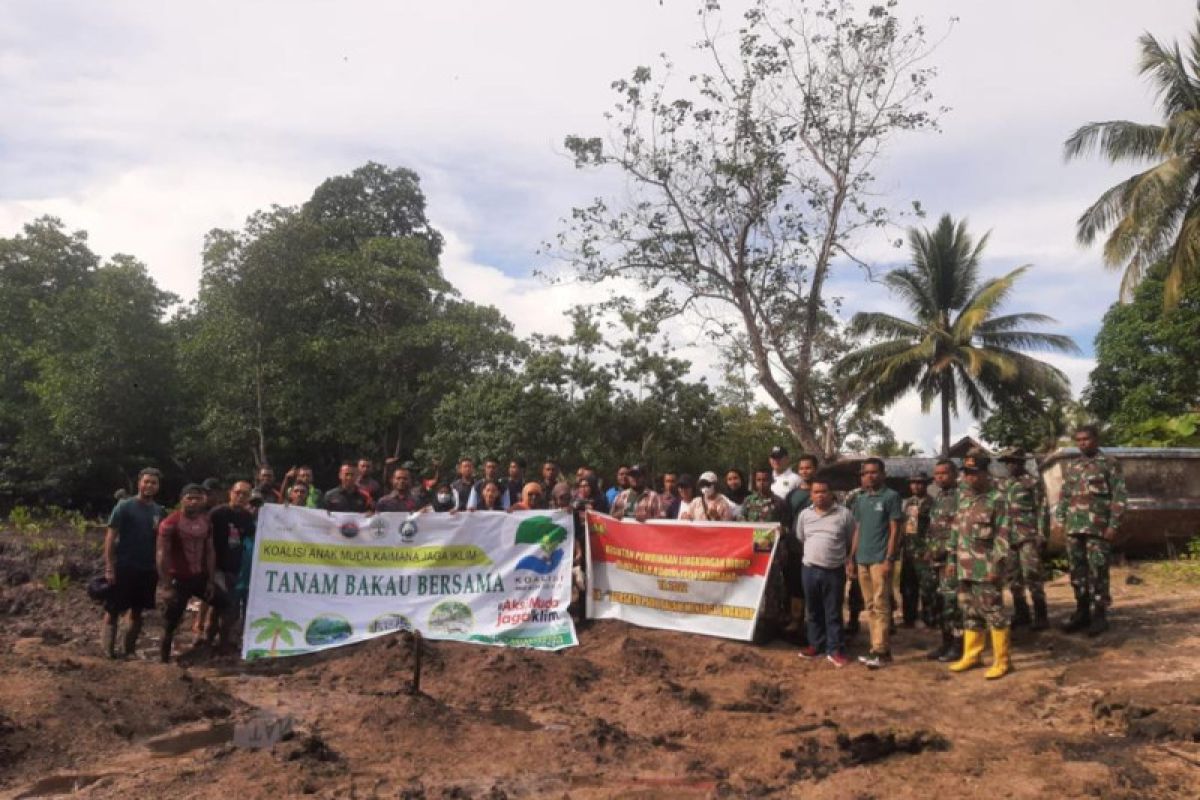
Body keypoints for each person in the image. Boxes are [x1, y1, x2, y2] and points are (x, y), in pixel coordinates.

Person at [1054, 425, 1126, 635]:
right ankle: (1081, 612)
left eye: (1086, 439)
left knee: (1098, 571)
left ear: (1096, 439)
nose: (1082, 443)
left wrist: (1114, 525)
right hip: (1074, 528)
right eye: (1078, 440)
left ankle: (1100, 616)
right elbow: (1065, 495)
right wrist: (1060, 519)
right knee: (1077, 572)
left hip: (1098, 528)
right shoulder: (1073, 466)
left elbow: (1119, 497)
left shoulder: (1109, 464)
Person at [948, 451, 1014, 679]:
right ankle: (972, 655)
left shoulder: (998, 500)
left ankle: (1002, 661)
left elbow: (1003, 536)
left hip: (986, 568)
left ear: (986, 473)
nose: (969, 477)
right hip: (965, 566)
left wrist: (997, 565)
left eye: (974, 473)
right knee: (969, 611)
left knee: (993, 612)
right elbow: (956, 531)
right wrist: (950, 560)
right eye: (966, 473)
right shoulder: (965, 499)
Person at [845, 457, 903, 669]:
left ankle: (881, 650)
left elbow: (895, 530)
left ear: (883, 474)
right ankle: (876, 648)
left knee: (881, 604)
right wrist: (851, 557)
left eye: (874, 472)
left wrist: (890, 558)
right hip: (862, 559)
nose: (870, 476)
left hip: (880, 559)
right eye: (866, 472)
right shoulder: (861, 499)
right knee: (869, 605)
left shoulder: (891, 497)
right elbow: (858, 529)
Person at [101, 468, 165, 659]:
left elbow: (161, 543)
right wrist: (109, 566)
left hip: (147, 569)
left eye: (154, 483)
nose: (149, 485)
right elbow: (110, 537)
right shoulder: (124, 506)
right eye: (146, 481)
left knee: (137, 612)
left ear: (158, 487)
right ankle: (108, 652)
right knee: (113, 609)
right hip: (124, 565)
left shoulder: (159, 511)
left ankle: (129, 650)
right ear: (139, 483)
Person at [795, 479, 856, 667]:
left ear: (831, 493)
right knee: (813, 611)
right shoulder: (805, 515)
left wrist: (849, 559)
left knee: (833, 612)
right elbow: (801, 537)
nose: (819, 495)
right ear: (811, 495)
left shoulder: (844, 514)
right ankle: (816, 645)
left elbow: (850, 537)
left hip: (834, 571)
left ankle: (835, 649)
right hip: (810, 569)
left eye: (823, 491)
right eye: (815, 492)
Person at [157, 484, 221, 664]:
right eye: (190, 498)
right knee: (170, 622)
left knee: (224, 603)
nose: (194, 502)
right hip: (178, 579)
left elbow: (210, 551)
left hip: (199, 577)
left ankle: (206, 645)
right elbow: (162, 554)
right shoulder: (170, 523)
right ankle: (163, 662)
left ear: (203, 501)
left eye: (198, 498)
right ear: (182, 500)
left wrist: (210, 580)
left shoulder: (205, 522)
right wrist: (166, 586)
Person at [998, 448, 1048, 630]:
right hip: (1007, 537)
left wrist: (1042, 534)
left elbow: (1042, 509)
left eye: (1014, 461)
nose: (1010, 465)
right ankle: (1022, 613)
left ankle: (1041, 616)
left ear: (1021, 463)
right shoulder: (1003, 485)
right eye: (1007, 462)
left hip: (1028, 535)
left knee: (1032, 575)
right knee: (1013, 577)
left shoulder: (1032, 483)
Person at [207, 481, 255, 652]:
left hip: (234, 569)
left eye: (245, 494)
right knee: (222, 607)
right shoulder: (217, 513)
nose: (241, 497)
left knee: (228, 609)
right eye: (238, 493)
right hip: (216, 567)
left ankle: (222, 643)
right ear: (230, 493)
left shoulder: (247, 518)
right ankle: (210, 642)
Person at [924, 459, 962, 662]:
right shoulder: (938, 497)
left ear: (955, 474)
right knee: (940, 602)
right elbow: (934, 528)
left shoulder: (961, 496)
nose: (939, 477)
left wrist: (950, 554)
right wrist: (930, 549)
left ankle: (958, 644)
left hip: (951, 559)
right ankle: (945, 642)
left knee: (952, 603)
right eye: (936, 473)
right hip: (936, 559)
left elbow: (960, 530)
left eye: (944, 473)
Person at [899, 473, 932, 628]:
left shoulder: (932, 503)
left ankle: (929, 618)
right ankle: (909, 618)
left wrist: (930, 548)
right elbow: (906, 527)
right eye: (913, 483)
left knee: (927, 587)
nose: (915, 486)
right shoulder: (909, 503)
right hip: (908, 551)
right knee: (907, 586)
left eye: (919, 483)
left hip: (924, 550)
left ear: (926, 484)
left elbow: (936, 528)